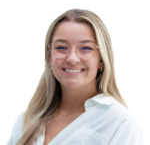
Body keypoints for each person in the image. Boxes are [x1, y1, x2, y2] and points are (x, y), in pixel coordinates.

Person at [5, 8, 143, 145]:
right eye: (61, 47)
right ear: (49, 56)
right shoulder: (27, 119)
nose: (72, 58)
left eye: (86, 48)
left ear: (102, 59)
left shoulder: (119, 122)